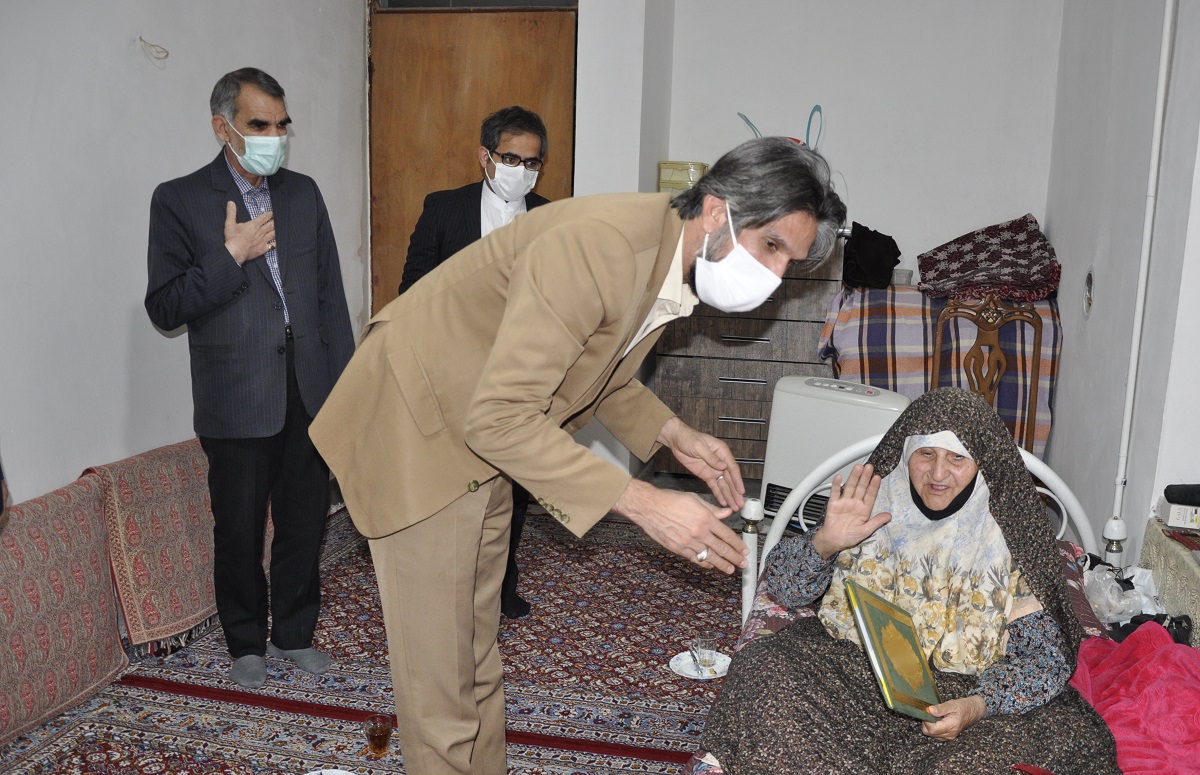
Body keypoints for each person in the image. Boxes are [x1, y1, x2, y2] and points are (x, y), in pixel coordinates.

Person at [309, 136, 847, 775]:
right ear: (716, 211)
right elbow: (500, 416)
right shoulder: (600, 248)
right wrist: (645, 503)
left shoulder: (663, 252)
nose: (776, 275)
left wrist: (674, 433)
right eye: (772, 246)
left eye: (790, 261)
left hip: (488, 436)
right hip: (420, 428)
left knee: (475, 656)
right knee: (441, 688)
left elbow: (595, 371)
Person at [699, 388, 1119, 775]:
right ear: (906, 452)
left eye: (958, 459)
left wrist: (977, 705)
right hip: (849, 671)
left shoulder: (1013, 535)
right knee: (763, 669)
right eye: (926, 454)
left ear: (983, 462)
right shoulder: (869, 503)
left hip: (963, 692)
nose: (938, 473)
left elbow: (1044, 658)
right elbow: (785, 590)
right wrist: (826, 541)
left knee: (1057, 740)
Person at [145, 67, 355, 691]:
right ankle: (245, 641)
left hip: (308, 386)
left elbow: (329, 300)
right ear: (224, 127)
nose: (274, 136)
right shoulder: (180, 199)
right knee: (238, 527)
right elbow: (165, 306)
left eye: (281, 124)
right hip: (236, 394)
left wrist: (346, 390)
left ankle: (293, 633)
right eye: (259, 125)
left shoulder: (303, 193)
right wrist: (231, 255)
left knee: (304, 520)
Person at [398, 105, 553, 618]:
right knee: (454, 486)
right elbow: (412, 291)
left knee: (513, 487)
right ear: (485, 157)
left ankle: (501, 585)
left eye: (532, 162)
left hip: (522, 377)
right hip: (453, 373)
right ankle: (449, 584)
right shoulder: (444, 208)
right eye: (511, 159)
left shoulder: (550, 217)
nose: (521, 171)